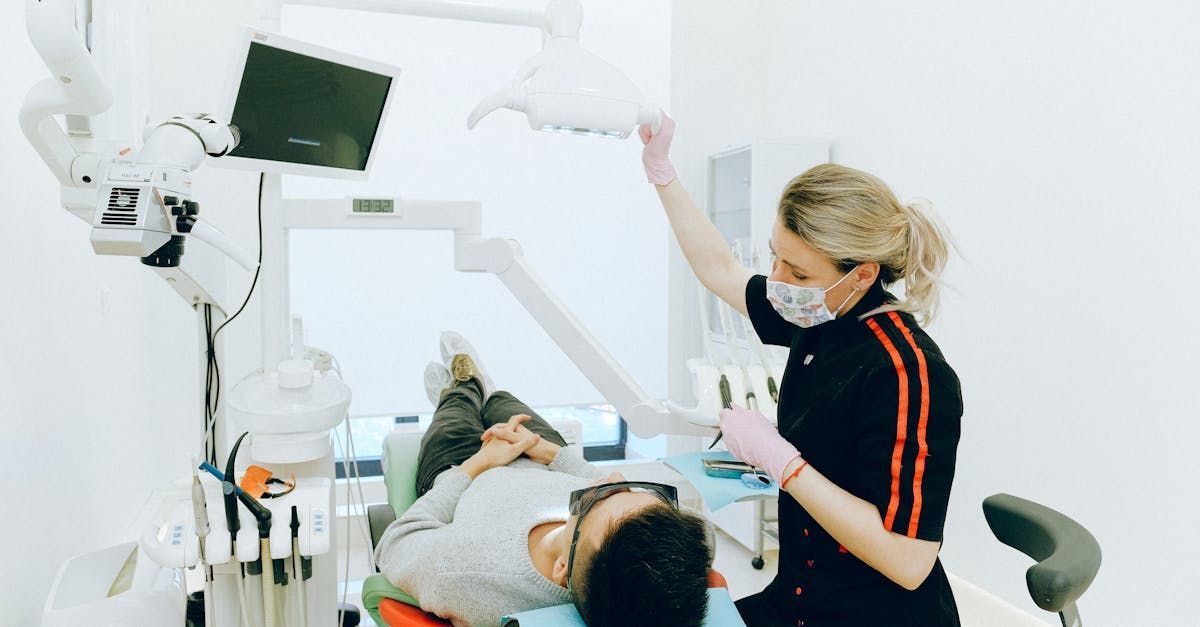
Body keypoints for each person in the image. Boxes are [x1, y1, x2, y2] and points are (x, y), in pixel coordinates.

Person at [639, 114, 964, 626]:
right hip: (799, 598)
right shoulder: (818, 313)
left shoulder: (908, 373)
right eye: (776, 258)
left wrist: (782, 462)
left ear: (862, 275)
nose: (778, 281)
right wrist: (662, 173)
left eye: (798, 271)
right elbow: (718, 269)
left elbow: (908, 561)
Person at [373, 332, 714, 627]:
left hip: (462, 466)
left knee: (457, 408)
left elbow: (394, 545)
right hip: (540, 457)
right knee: (504, 402)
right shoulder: (653, 563)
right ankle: (487, 390)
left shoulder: (465, 572)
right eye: (634, 490)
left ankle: (463, 384)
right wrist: (549, 453)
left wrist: (480, 462)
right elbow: (704, 533)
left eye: (598, 497)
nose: (611, 475)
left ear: (562, 568)